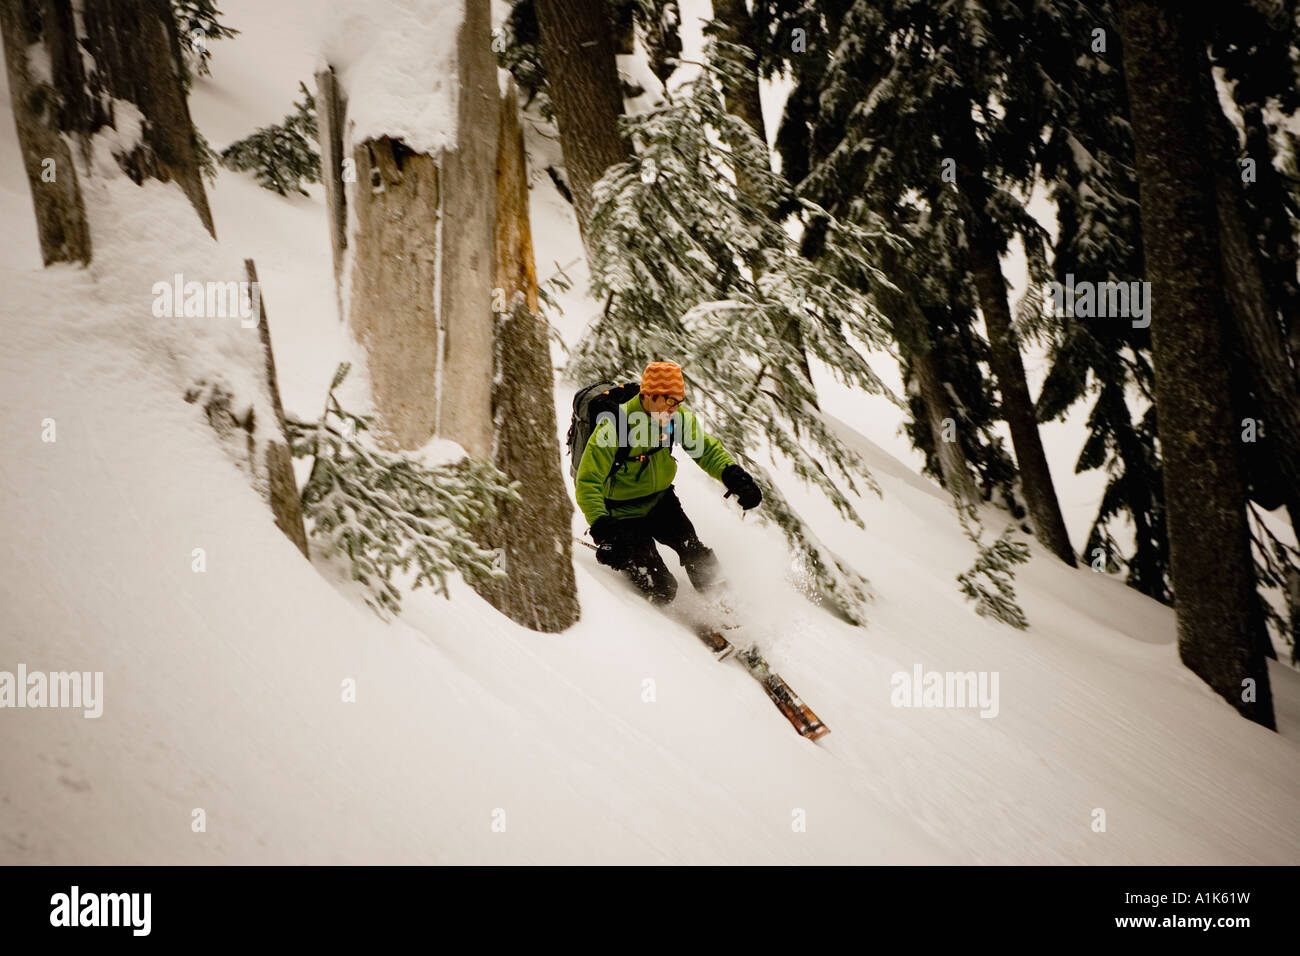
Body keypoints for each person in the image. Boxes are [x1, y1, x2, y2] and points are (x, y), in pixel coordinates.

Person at [575, 360, 763, 605]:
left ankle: (727, 608)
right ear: (649, 395)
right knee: (663, 588)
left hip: (661, 503)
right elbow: (588, 482)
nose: (675, 407)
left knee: (696, 552)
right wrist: (605, 533)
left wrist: (735, 477)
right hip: (621, 514)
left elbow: (705, 450)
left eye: (679, 401)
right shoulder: (614, 426)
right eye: (669, 400)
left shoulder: (675, 418)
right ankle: (644, 578)